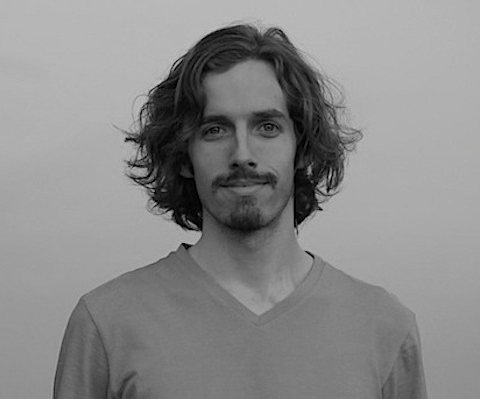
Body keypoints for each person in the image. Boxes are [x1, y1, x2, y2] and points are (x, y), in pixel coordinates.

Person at [54, 22, 428, 398]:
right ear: (183, 156)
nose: (242, 154)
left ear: (301, 148)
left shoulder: (385, 329)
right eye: (215, 130)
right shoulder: (107, 325)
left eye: (267, 127)